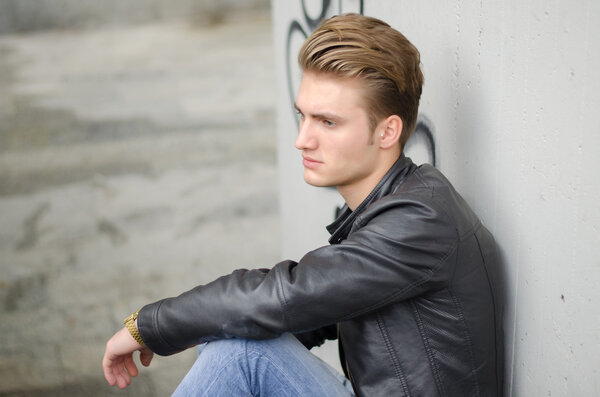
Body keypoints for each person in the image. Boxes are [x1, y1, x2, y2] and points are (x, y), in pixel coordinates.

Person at [103, 13, 504, 396]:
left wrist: (148, 326)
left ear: (387, 131)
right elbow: (312, 312)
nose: (303, 140)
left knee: (242, 353)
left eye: (327, 122)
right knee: (236, 337)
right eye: (303, 116)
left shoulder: (418, 220)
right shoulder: (402, 201)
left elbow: (286, 295)